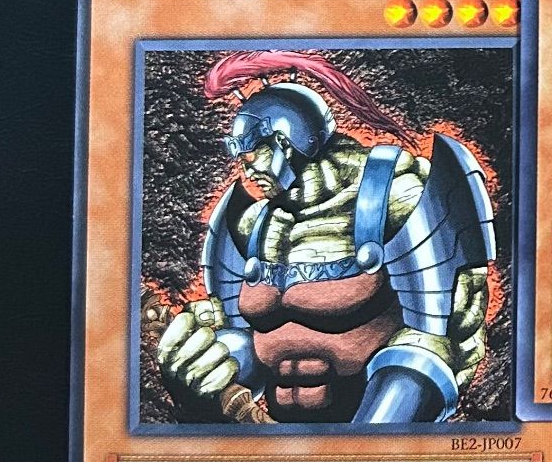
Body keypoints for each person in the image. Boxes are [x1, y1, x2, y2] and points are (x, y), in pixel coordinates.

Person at [156, 51, 494, 424]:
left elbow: (441, 339)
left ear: (288, 142)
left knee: (414, 366)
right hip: (281, 419)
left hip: (375, 415)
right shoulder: (253, 224)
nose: (248, 171)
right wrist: (196, 358)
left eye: (254, 155)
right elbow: (236, 331)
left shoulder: (393, 194)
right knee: (219, 350)